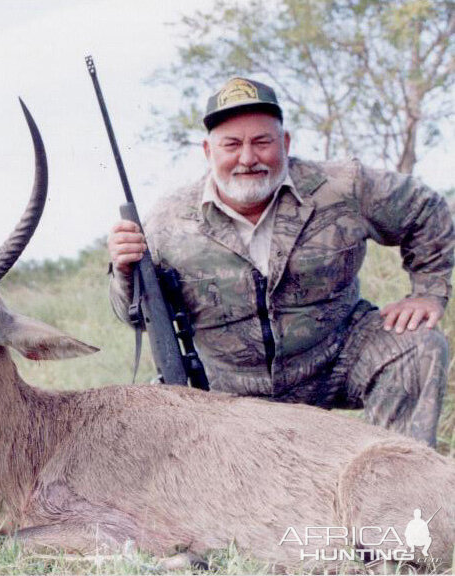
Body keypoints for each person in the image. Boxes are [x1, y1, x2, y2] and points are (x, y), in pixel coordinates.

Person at [107, 77, 453, 447]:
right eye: (232, 145)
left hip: (335, 360)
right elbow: (134, 317)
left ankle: (395, 486)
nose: (247, 158)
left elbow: (426, 210)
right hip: (231, 392)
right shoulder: (167, 221)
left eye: (261, 142)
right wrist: (125, 272)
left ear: (285, 143)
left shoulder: (344, 186)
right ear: (208, 151)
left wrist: (429, 291)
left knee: (419, 346)